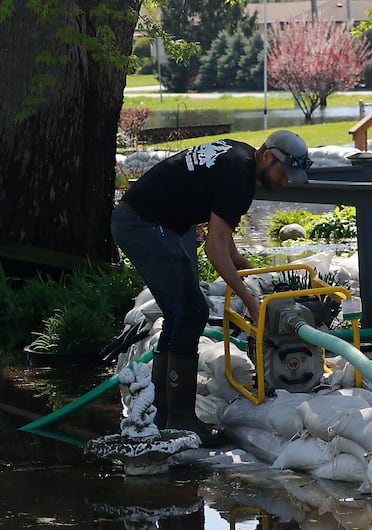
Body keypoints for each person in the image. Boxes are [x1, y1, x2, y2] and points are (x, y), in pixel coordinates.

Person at [111, 130, 312, 446]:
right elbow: (213, 249)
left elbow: (221, 232)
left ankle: (164, 414)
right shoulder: (240, 176)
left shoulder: (239, 157)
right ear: (269, 157)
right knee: (192, 312)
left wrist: (238, 260)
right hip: (145, 226)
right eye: (284, 174)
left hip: (137, 220)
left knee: (179, 315)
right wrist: (249, 298)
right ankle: (181, 418)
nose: (286, 182)